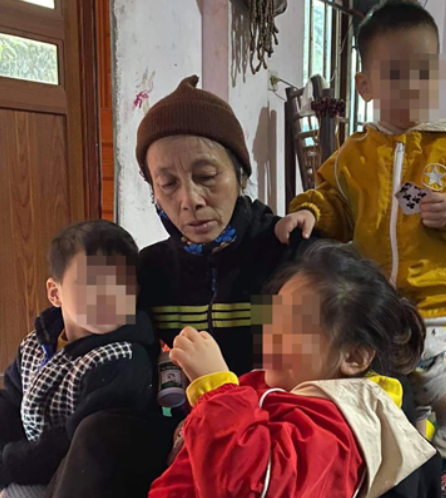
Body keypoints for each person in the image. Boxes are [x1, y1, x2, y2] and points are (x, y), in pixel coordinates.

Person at [44, 76, 315, 498]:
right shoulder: (150, 270)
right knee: (99, 432)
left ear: (241, 173)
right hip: (177, 431)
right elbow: (98, 328)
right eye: (168, 184)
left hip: (269, 435)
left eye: (206, 175)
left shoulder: (290, 255)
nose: (189, 200)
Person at [275, 0, 446, 464]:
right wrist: (309, 212)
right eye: (395, 74)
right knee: (388, 368)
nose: (412, 86)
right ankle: (414, 438)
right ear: (365, 85)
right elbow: (333, 201)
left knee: (417, 356)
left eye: (423, 72)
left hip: (439, 293)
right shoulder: (354, 156)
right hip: (379, 294)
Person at [148, 241, 440, 498]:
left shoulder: (340, 427)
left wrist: (216, 389)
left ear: (354, 357)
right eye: (272, 319)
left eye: (292, 328)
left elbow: (249, 488)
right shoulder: (278, 384)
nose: (270, 335)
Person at [0, 220, 156, 498]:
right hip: (31, 461)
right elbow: (11, 400)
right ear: (55, 293)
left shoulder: (123, 360)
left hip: (76, 476)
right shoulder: (35, 344)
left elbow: (74, 442)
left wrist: (4, 466)